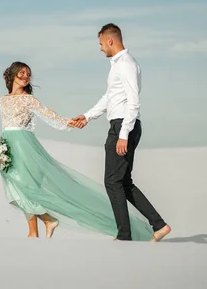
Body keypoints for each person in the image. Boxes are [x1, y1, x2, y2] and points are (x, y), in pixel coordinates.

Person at [0, 61, 154, 240]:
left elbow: (49, 115)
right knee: (14, 192)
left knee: (27, 187)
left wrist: (68, 122)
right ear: (12, 75)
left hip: (25, 147)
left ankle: (33, 232)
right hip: (7, 146)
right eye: (22, 73)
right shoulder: (2, 100)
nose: (26, 77)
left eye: (28, 74)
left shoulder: (28, 99)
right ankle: (48, 221)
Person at [71, 23, 171, 242]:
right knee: (123, 182)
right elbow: (111, 97)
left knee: (112, 182)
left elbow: (134, 101)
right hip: (121, 125)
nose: (99, 48)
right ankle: (159, 225)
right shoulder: (117, 65)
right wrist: (88, 116)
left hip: (123, 126)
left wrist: (123, 133)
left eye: (100, 44)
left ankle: (124, 236)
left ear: (110, 40)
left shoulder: (125, 64)